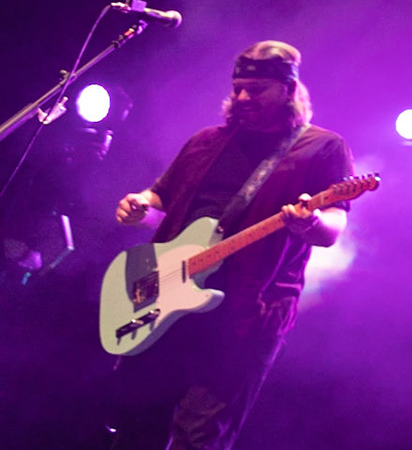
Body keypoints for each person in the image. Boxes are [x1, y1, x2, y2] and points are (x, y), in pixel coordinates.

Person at [109, 40, 355, 450]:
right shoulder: (206, 141)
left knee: (199, 437)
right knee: (135, 429)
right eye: (237, 87)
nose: (242, 97)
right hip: (165, 299)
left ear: (288, 90)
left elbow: (332, 229)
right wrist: (140, 205)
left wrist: (309, 220)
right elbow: (160, 203)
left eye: (256, 90)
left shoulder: (321, 147)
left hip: (245, 317)